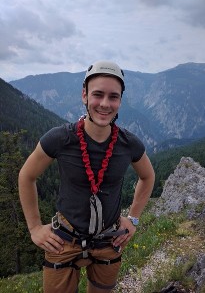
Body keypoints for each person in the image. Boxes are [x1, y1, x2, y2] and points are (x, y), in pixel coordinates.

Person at [18, 60, 155, 293]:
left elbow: (148, 177)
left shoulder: (128, 143)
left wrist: (132, 220)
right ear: (84, 95)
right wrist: (34, 228)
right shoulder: (60, 138)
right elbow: (26, 176)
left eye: (113, 97)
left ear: (120, 101)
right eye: (97, 95)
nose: (105, 104)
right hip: (63, 239)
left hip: (109, 240)